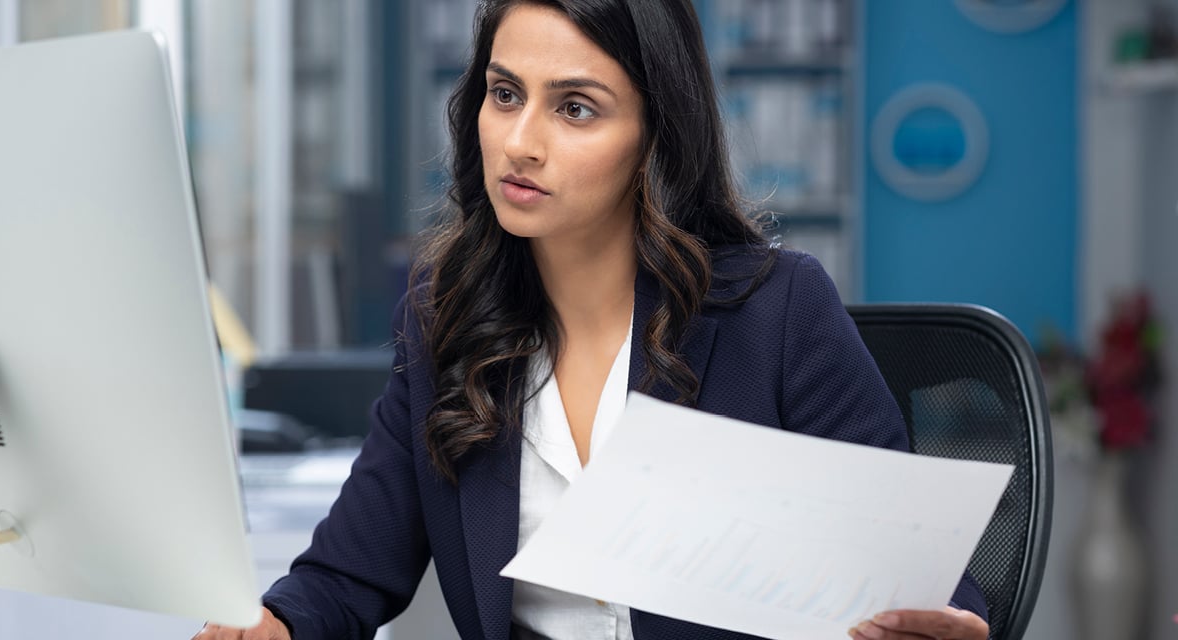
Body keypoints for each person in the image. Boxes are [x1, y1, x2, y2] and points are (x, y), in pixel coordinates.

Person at [195, 1, 990, 638]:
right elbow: (347, 574)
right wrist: (275, 626)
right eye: (505, 95)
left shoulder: (776, 312)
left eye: (575, 108)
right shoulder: (446, 315)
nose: (520, 141)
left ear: (654, 136)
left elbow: (926, 586)